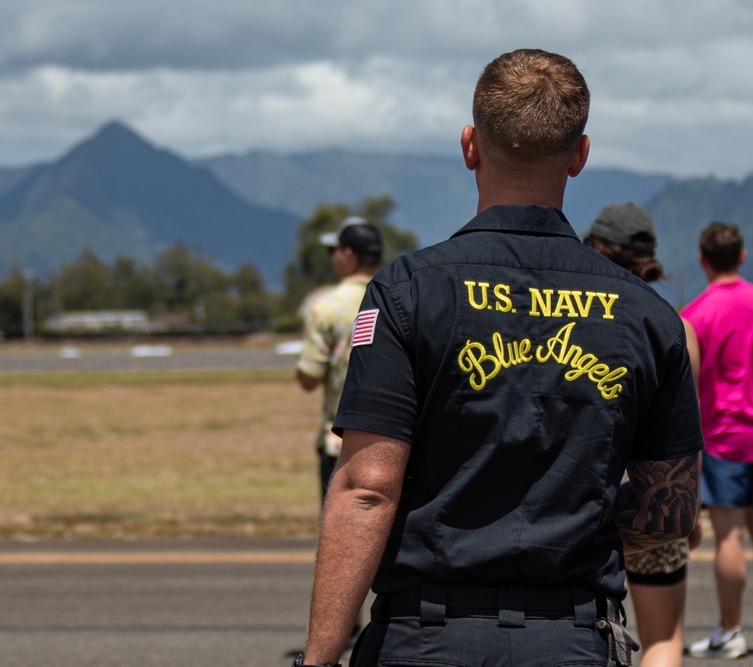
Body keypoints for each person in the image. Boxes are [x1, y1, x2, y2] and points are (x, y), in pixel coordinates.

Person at [296, 48, 703, 667]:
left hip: (423, 636)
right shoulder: (648, 315)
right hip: (570, 636)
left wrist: (319, 660)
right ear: (579, 156)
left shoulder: (408, 290)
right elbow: (668, 514)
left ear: (470, 145)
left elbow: (366, 489)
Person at [584, 202, 702, 667]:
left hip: (586, 502)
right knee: (662, 639)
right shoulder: (676, 327)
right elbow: (686, 434)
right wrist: (691, 506)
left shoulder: (580, 321)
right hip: (661, 497)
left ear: (595, 246)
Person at [682, 222, 753, 660]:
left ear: (703, 261)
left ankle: (730, 631)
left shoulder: (694, 313)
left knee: (728, 537)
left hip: (724, 436)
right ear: (742, 257)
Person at [296, 216, 384, 503]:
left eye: (333, 250)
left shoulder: (326, 306)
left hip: (339, 441)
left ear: (348, 254)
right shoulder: (400, 296)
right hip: (392, 439)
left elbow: (309, 377)